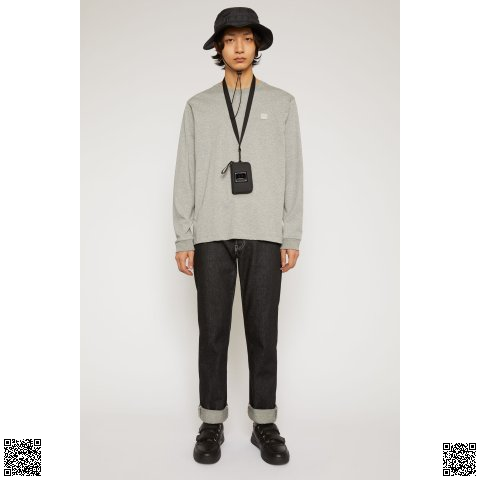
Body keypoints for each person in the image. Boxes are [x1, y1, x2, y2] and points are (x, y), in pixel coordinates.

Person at [172, 7, 303, 465]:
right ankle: (211, 423)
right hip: (211, 233)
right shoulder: (198, 105)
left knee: (264, 333)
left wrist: (291, 234)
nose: (240, 47)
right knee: (213, 334)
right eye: (230, 40)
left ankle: (264, 423)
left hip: (265, 232)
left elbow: (293, 171)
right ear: (219, 48)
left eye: (247, 38)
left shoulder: (282, 103)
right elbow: (185, 172)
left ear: (258, 45)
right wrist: (183, 236)